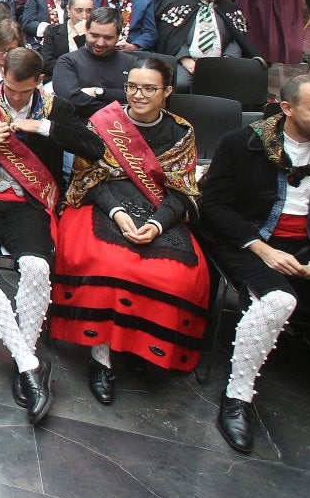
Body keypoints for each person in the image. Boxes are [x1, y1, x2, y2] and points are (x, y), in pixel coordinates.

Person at [201, 74, 310, 483]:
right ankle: (237, 397)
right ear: (288, 107)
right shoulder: (241, 144)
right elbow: (215, 209)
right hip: (249, 243)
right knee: (278, 301)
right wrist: (263, 249)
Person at [0, 47, 104, 424]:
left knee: (35, 268)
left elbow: (94, 148)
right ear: (2, 74)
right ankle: (29, 364)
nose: (16, 97)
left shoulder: (54, 108)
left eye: (24, 91)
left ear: (39, 82)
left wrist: (45, 128)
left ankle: (24, 359)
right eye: (11, 89)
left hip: (30, 203)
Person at [50, 58, 209, 402]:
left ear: (167, 92)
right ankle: (102, 358)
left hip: (160, 209)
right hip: (103, 201)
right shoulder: (103, 122)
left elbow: (182, 189)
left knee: (178, 275)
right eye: (133, 87)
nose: (138, 95)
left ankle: (142, 348)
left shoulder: (181, 132)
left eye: (149, 88)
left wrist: (155, 224)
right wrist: (119, 213)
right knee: (110, 262)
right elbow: (87, 177)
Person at [155, 0, 261, 89]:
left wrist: (227, 59)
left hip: (221, 64)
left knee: (235, 87)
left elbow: (238, 39)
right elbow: (167, 36)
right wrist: (186, 60)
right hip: (182, 61)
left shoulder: (230, 9)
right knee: (181, 84)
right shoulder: (172, 3)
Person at [51, 8, 136, 118]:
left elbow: (139, 97)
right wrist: (121, 110)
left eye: (108, 38)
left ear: (118, 36)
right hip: (80, 127)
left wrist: (100, 92)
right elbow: (71, 100)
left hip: (127, 128)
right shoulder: (67, 62)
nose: (100, 43)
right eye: (95, 36)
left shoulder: (133, 63)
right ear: (86, 31)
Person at [41, 0, 93, 78]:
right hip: (59, 77)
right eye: (79, 10)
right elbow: (48, 63)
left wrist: (83, 36)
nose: (84, 16)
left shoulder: (98, 33)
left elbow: (92, 63)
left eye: (89, 11)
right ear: (68, 9)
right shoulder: (52, 31)